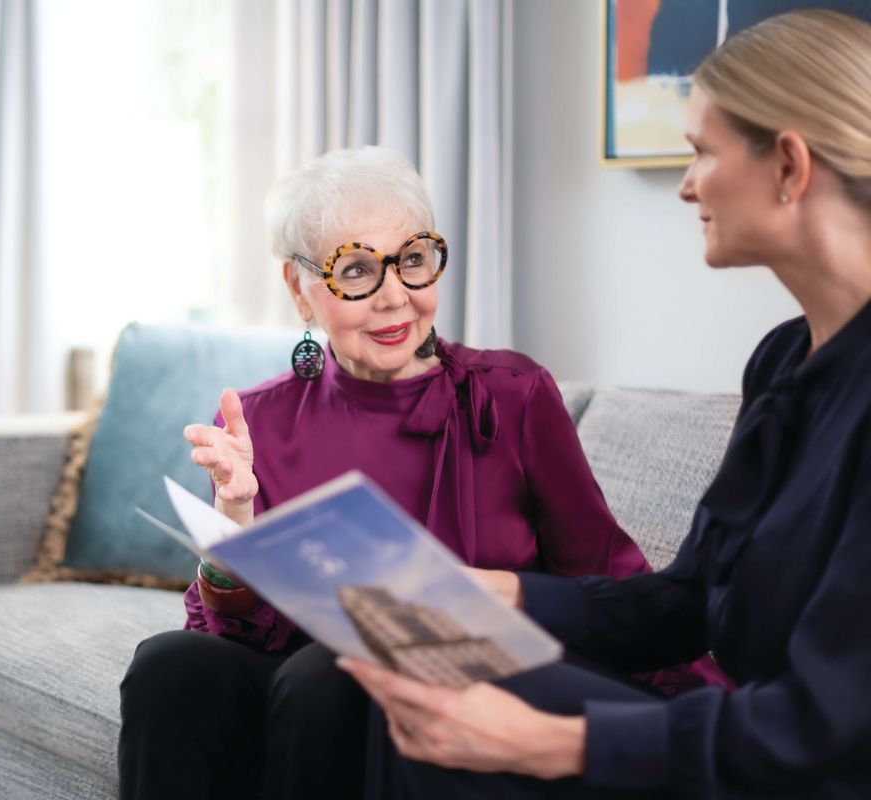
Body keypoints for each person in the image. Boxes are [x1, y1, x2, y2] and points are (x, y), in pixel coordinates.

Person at [338, 9, 871, 799]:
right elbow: (688, 601)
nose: (687, 184)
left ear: (789, 166)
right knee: (430, 669)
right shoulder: (784, 362)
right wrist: (494, 591)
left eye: (702, 152)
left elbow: (827, 725)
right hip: (758, 744)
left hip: (811, 769)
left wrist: (555, 742)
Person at [117, 147, 723, 800]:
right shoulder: (257, 419)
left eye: (411, 260)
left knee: (331, 671)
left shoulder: (513, 395)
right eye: (356, 270)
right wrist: (233, 527)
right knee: (170, 664)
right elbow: (224, 634)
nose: (395, 297)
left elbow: (605, 576)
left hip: (472, 679)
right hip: (307, 680)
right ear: (298, 288)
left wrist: (708, 731)